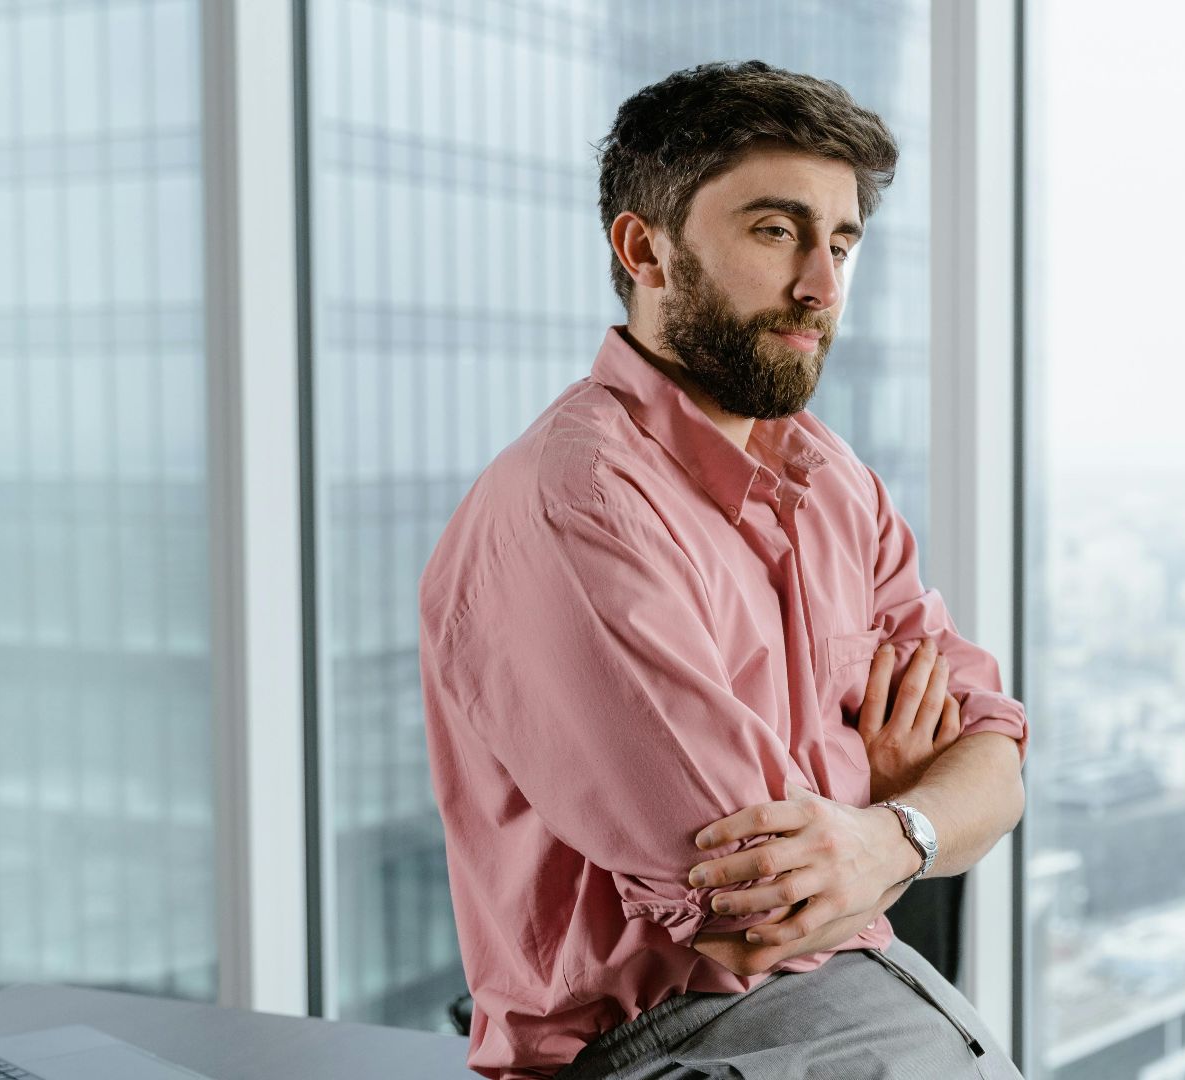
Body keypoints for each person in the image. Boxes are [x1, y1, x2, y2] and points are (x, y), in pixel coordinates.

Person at [418, 60, 1029, 1080]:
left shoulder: (833, 482)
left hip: (855, 1002)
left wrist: (886, 834)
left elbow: (999, 755)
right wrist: (888, 797)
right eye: (775, 231)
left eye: (841, 242)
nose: (822, 287)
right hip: (660, 1050)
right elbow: (749, 916)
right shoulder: (579, 504)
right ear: (644, 248)